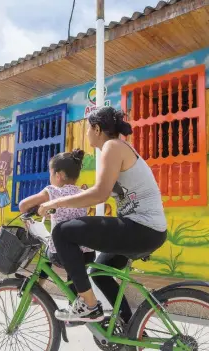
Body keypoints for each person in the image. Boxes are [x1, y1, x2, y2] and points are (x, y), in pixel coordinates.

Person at [38, 106, 167, 323]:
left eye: (88, 128)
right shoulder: (116, 148)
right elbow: (100, 193)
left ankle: (88, 305)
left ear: (97, 129)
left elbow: (99, 194)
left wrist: (55, 203)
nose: (87, 133)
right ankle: (129, 327)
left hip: (142, 228)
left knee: (62, 232)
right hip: (143, 229)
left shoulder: (113, 147)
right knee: (100, 273)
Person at [19, 149, 96, 293]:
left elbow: (23, 205)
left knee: (49, 247)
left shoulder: (53, 191)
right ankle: (76, 305)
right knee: (73, 280)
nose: (50, 177)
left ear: (59, 175)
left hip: (61, 253)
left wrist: (37, 210)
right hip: (86, 253)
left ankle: (36, 288)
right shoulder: (82, 193)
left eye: (50, 173)